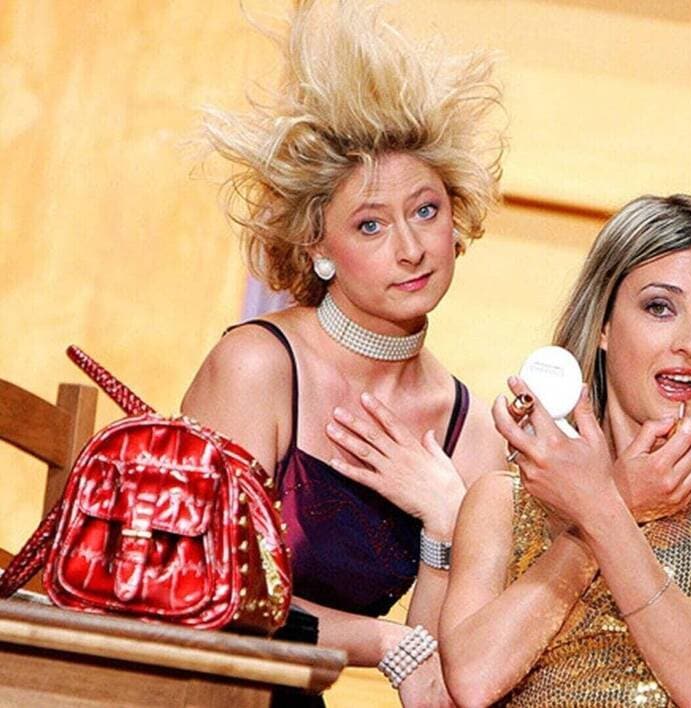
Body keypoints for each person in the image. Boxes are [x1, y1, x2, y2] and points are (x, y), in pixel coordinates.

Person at [180, 2, 505, 703]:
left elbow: (437, 690)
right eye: (370, 225)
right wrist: (384, 641)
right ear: (317, 248)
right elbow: (209, 591)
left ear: (456, 218)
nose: (412, 248)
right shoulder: (257, 367)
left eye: (425, 210)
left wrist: (445, 523)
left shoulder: (473, 432)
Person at [439, 195, 691, 706]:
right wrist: (614, 501)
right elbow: (473, 680)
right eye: (660, 307)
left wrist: (604, 509)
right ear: (603, 324)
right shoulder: (502, 500)